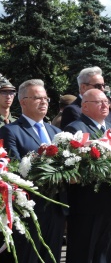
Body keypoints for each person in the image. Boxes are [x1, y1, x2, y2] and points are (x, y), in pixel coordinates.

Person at [0, 79, 65, 263]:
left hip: (56, 207)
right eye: (37, 98)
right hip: (30, 208)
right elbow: (14, 169)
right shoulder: (11, 131)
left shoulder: (56, 132)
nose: (43, 102)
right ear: (23, 102)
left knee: (52, 258)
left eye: (45, 98)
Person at [64, 89, 111, 263]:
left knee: (106, 253)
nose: (105, 105)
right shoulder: (75, 128)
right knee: (84, 254)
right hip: (87, 205)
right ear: (85, 107)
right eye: (99, 102)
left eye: (106, 101)